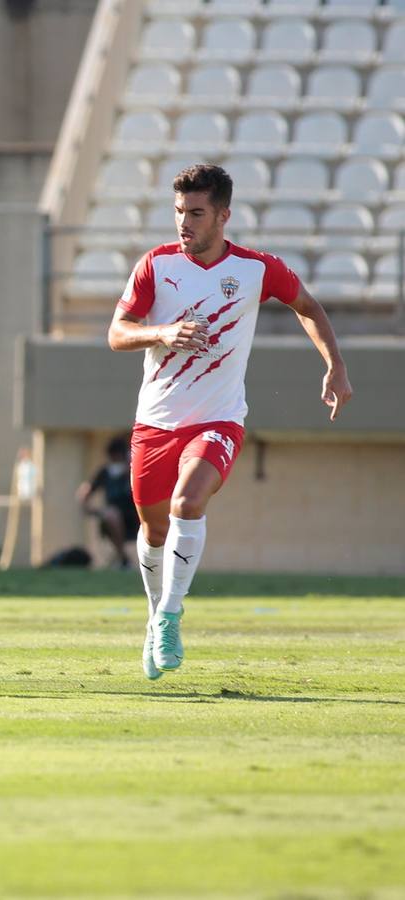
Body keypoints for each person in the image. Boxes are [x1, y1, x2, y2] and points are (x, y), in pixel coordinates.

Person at [108, 163, 352, 681]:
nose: (184, 223)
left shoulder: (255, 269)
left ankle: (171, 614)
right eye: (178, 212)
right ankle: (156, 616)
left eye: (196, 213)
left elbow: (307, 305)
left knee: (187, 502)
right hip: (154, 422)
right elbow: (117, 333)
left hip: (217, 419)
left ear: (223, 215)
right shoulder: (155, 265)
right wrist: (163, 332)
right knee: (152, 531)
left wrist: (335, 365)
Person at [76, 435, 138, 569]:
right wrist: (92, 510)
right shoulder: (105, 472)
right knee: (111, 514)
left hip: (134, 517)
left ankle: (123, 559)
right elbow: (85, 492)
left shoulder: (133, 471)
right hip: (111, 517)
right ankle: (123, 559)